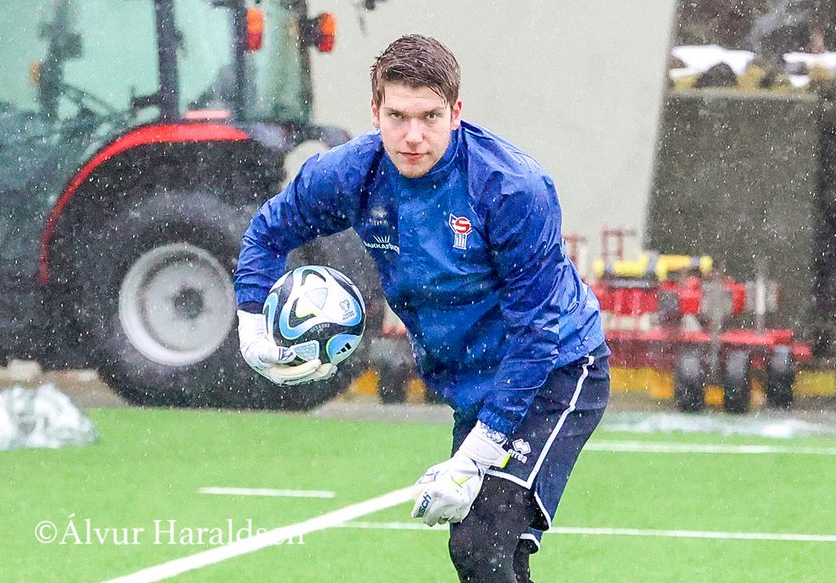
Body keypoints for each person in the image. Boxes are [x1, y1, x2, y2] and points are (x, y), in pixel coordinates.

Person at [234, 34, 610, 582]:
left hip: (556, 370)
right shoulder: (349, 174)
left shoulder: (512, 189)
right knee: (488, 558)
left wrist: (477, 455)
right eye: (398, 117)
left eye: (430, 117)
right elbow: (268, 233)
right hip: (470, 380)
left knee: (481, 541)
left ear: (456, 112)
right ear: (375, 112)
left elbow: (537, 332)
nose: (413, 136)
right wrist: (251, 329)